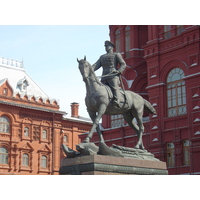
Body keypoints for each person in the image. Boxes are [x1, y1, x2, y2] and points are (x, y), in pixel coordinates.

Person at [92, 40, 126, 107]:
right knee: (100, 90)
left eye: (107, 46)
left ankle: (117, 100)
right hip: (104, 77)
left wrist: (119, 71)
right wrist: (89, 69)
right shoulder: (102, 57)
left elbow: (123, 64)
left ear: (111, 47)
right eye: (105, 46)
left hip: (113, 75)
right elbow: (96, 65)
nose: (106, 47)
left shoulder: (116, 54)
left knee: (114, 87)